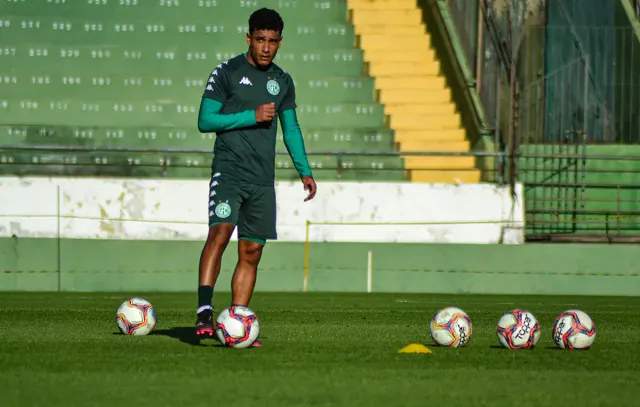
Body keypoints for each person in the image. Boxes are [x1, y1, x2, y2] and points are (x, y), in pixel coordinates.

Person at [194, 8, 317, 347]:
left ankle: (237, 324)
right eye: (260, 40)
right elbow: (206, 120)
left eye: (272, 41)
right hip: (229, 171)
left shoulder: (283, 81)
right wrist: (251, 115)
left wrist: (304, 170)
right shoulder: (227, 72)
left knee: (251, 252)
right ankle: (204, 312)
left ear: (280, 42)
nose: (265, 47)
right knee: (219, 233)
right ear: (249, 38)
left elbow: (290, 128)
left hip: (262, 180)